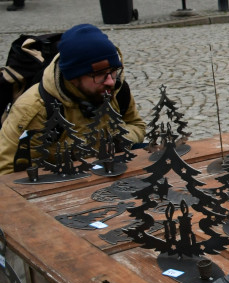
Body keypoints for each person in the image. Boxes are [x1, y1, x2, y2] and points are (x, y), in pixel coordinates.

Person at [0, 24, 145, 174]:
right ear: (73, 78)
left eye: (113, 71)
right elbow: (8, 174)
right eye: (99, 74)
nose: (110, 81)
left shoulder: (116, 88)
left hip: (108, 167)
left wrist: (120, 140)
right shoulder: (35, 109)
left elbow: (136, 124)